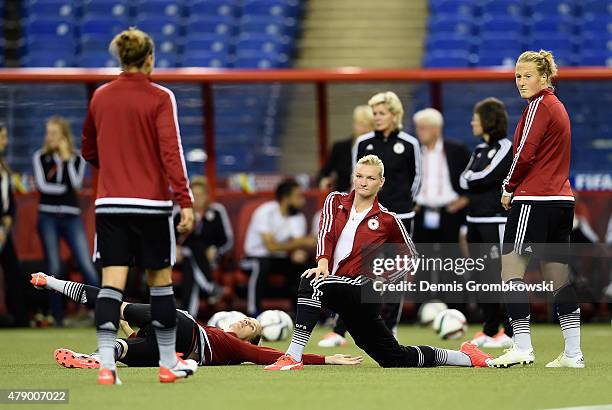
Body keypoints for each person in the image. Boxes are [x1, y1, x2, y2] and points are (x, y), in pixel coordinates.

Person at [265, 155, 493, 371]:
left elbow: (410, 256)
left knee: (312, 283)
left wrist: (383, 279)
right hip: (336, 286)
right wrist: (323, 262)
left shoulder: (388, 219)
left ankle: (293, 357)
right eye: (360, 176)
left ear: (381, 182)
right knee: (394, 358)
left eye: (371, 178)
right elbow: (325, 233)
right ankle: (465, 356)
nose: (363, 182)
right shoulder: (334, 201)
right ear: (354, 177)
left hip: (364, 289)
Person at [81, 28, 197, 385]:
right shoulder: (161, 97)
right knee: (160, 286)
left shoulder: (100, 96)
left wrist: (116, 162)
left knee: (111, 286)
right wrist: (185, 200)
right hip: (150, 205)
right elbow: (171, 152)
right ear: (150, 58)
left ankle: (106, 366)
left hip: (110, 205)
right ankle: (167, 365)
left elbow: (88, 149)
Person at [30, 272, 362, 368]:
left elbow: (274, 356)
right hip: (177, 339)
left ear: (247, 341)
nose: (248, 321)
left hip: (184, 333)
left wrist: (326, 359)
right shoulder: (217, 327)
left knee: (118, 312)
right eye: (250, 319)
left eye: (253, 328)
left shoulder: (235, 349)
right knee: (132, 345)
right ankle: (57, 286)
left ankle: (95, 356)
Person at [488, 50, 584, 368]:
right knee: (558, 278)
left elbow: (524, 154)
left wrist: (508, 187)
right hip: (561, 201)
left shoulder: (538, 106)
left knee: (510, 272)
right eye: (517, 75)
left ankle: (522, 347)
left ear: (545, 77)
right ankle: (573, 353)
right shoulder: (557, 106)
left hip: (534, 199)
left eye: (528, 75)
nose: (521, 81)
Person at [351, 91, 421, 337]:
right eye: (374, 114)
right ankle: (365, 324)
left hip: (401, 216)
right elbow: (356, 179)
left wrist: (404, 203)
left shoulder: (410, 143)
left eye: (381, 113)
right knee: (367, 270)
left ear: (395, 114)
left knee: (396, 271)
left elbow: (417, 178)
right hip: (370, 217)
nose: (377, 118)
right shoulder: (363, 143)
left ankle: (390, 327)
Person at [32, 116, 100, 326]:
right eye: (47, 133)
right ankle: (57, 317)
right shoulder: (40, 157)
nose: (49, 137)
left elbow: (77, 183)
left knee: (86, 264)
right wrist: (63, 189)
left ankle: (101, 312)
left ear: (63, 136)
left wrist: (66, 160)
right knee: (53, 266)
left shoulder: (77, 158)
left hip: (71, 216)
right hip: (47, 215)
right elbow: (43, 186)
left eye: (53, 133)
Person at [460, 98, 513, 348]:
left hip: (496, 221)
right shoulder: (479, 150)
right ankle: (490, 329)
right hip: (474, 221)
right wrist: (476, 179)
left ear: (488, 120)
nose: (472, 122)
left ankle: (512, 332)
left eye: (476, 117)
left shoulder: (506, 147)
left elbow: (487, 176)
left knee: (501, 275)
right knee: (481, 276)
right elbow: (463, 180)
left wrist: (475, 179)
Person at [412, 108, 471, 310]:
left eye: (424, 128)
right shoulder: (414, 151)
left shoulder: (457, 150)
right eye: (418, 128)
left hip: (450, 212)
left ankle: (457, 309)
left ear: (436, 129)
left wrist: (464, 199)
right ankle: (422, 310)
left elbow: (471, 178)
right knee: (422, 262)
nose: (419, 132)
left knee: (451, 261)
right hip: (422, 212)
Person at [243, 178, 315, 316]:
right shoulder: (265, 212)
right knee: (261, 265)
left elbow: (298, 244)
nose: (303, 201)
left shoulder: (297, 216)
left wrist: (299, 251)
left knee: (305, 268)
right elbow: (271, 246)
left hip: (279, 258)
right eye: (298, 196)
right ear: (286, 198)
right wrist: (302, 243)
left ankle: (302, 314)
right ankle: (254, 312)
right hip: (253, 258)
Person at [175, 176, 233, 315]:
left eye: (201, 195)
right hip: (180, 259)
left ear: (208, 196)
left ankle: (188, 315)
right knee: (190, 250)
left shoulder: (217, 211)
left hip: (210, 259)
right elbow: (166, 239)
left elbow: (228, 240)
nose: (197, 199)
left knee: (191, 257)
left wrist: (216, 250)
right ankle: (211, 287)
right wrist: (173, 250)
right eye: (193, 195)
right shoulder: (179, 212)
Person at [0, 123, 27, 327]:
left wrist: (8, 218)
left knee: (14, 272)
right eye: (2, 137)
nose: (6, 141)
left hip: (4, 229)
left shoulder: (3, 165)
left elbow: (8, 198)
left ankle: (19, 319)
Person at [318, 105, 374, 193]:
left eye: (369, 125)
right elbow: (323, 173)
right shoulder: (340, 148)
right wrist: (325, 180)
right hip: (344, 197)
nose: (365, 129)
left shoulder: (378, 149)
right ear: (354, 124)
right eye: (361, 124)